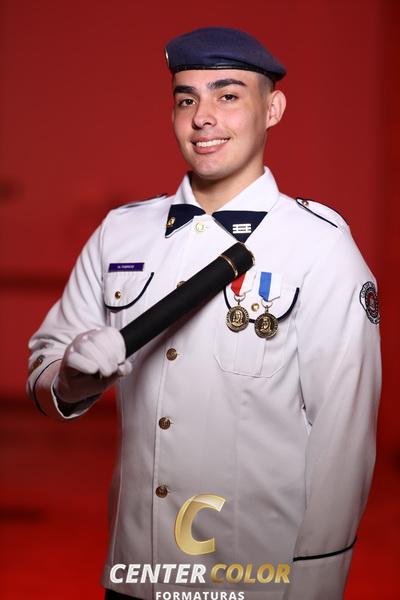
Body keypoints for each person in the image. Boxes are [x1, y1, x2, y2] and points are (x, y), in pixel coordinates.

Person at [27, 27, 381, 600]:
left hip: (253, 582)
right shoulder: (122, 233)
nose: (202, 118)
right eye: (186, 99)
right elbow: (43, 375)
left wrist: (317, 585)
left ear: (273, 110)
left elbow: (343, 439)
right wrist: (69, 379)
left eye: (228, 95)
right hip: (136, 573)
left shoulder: (319, 247)